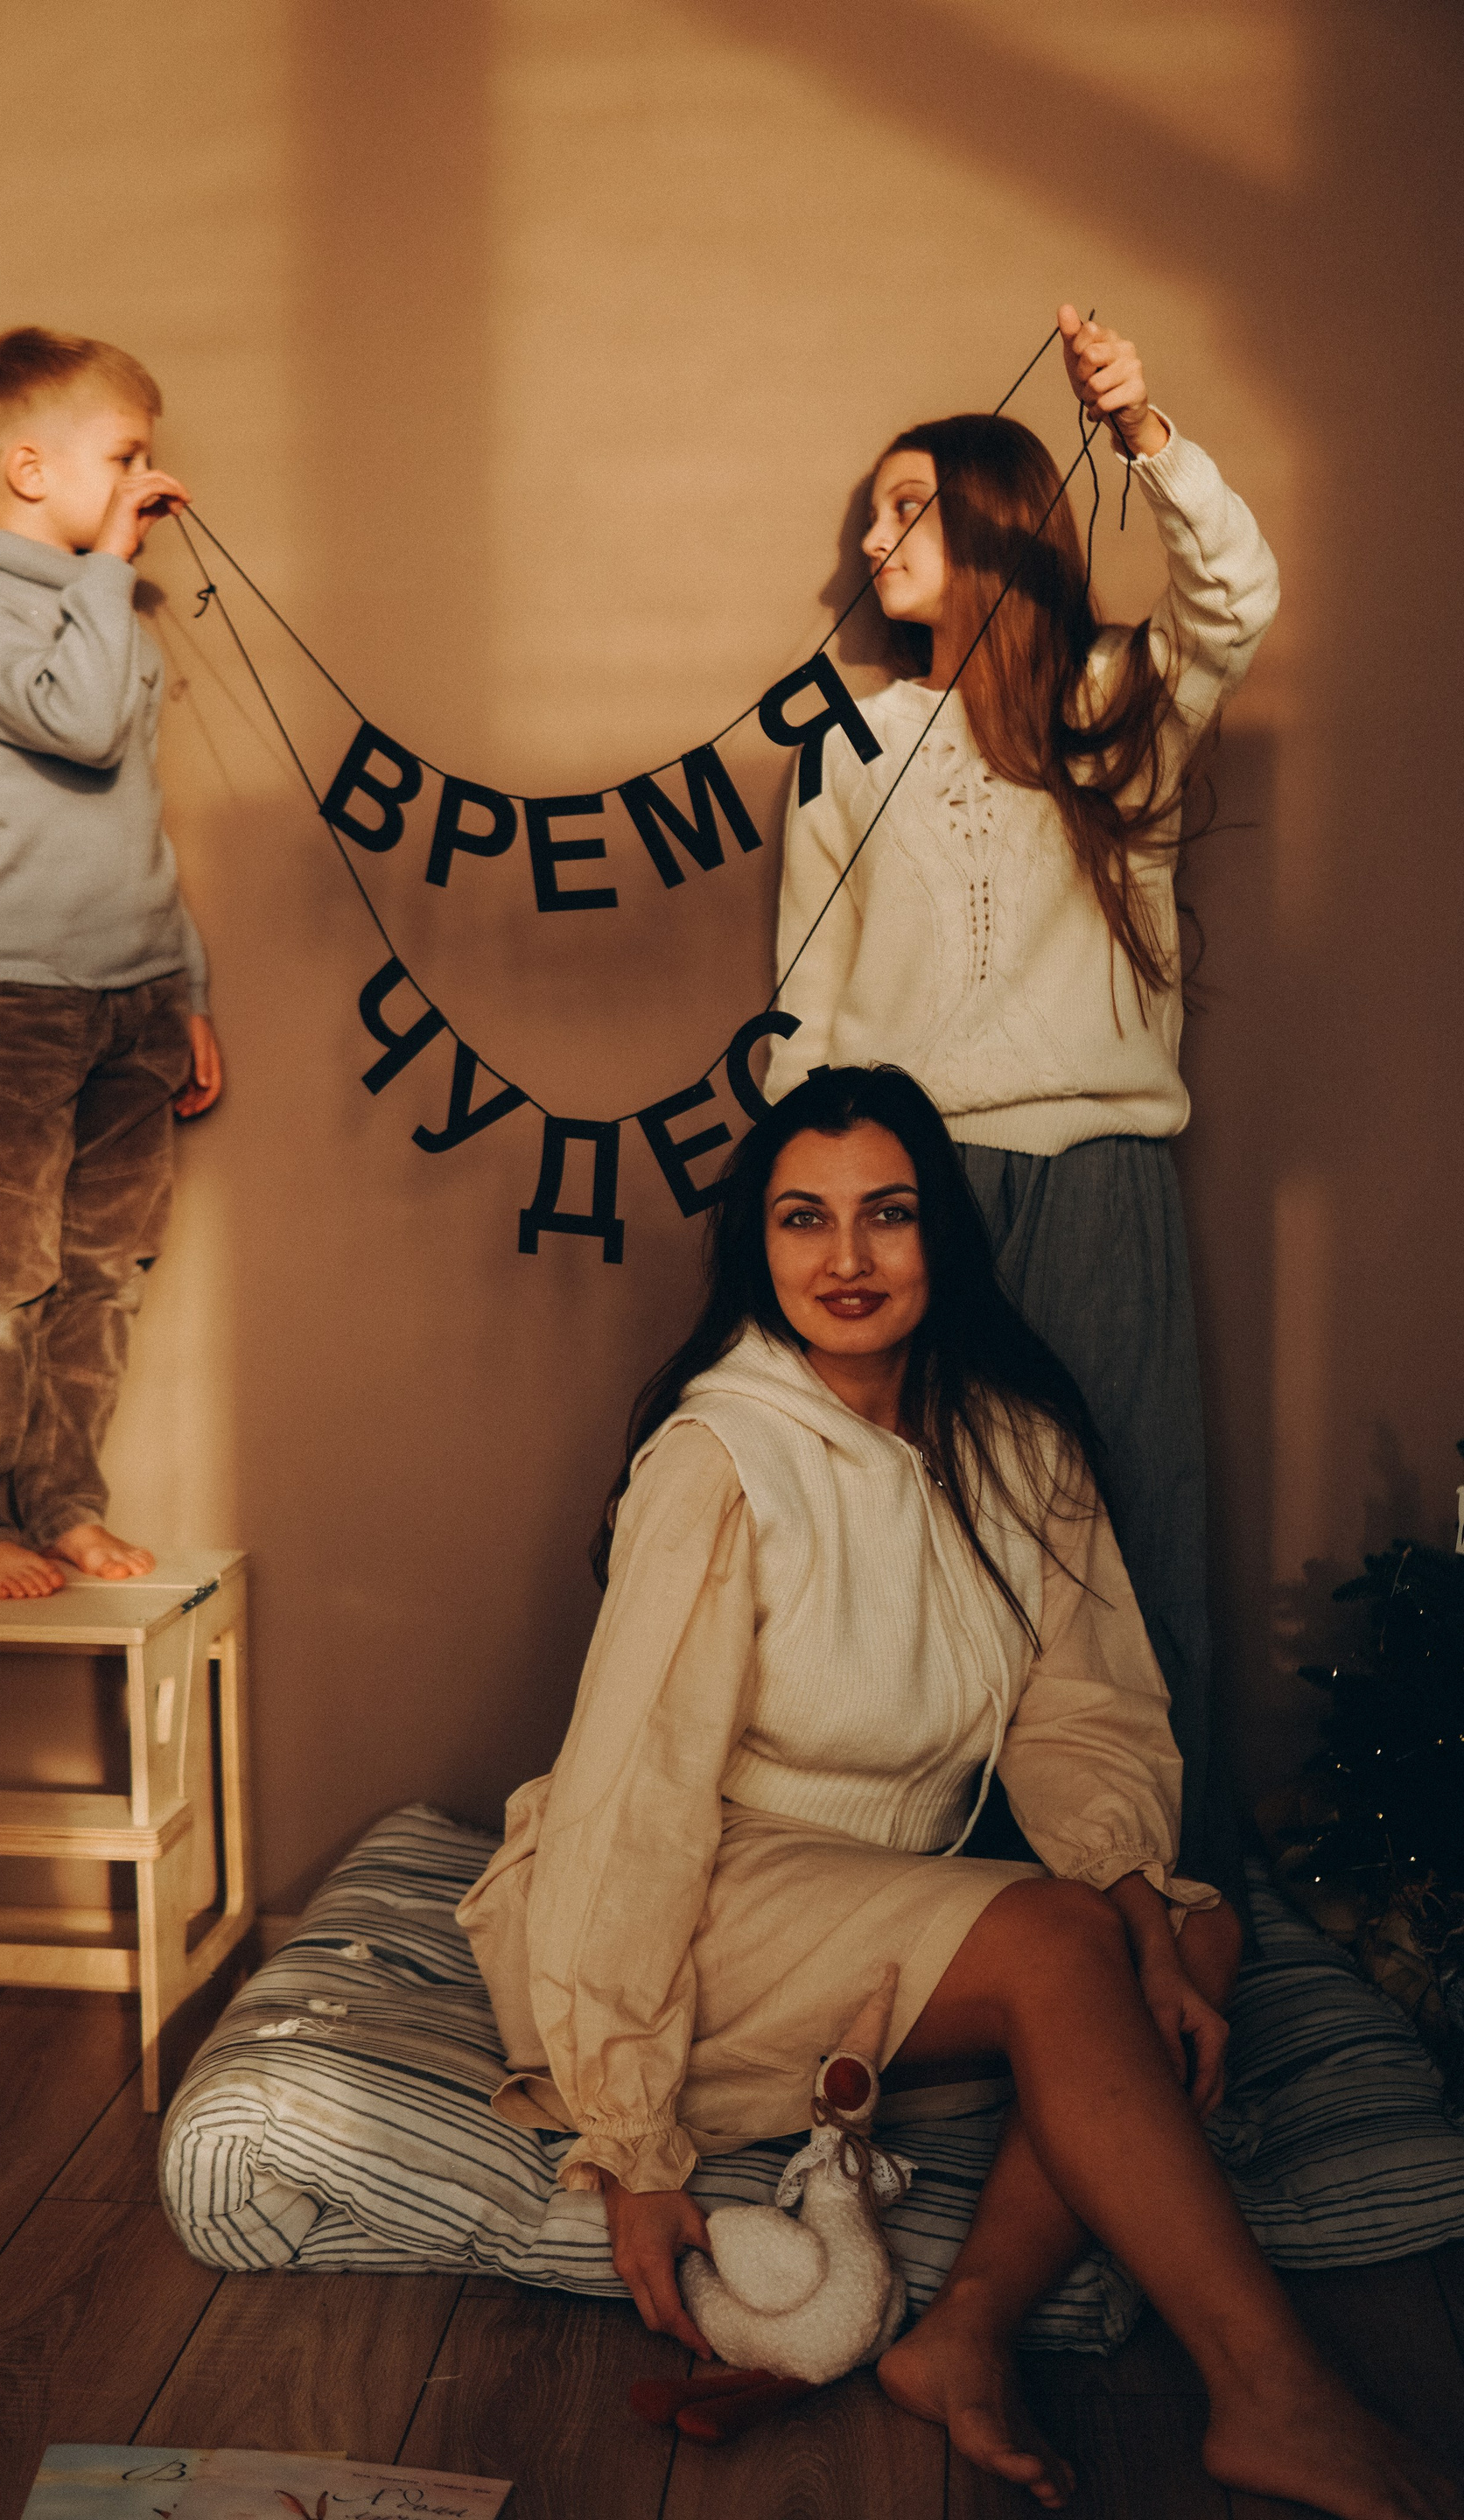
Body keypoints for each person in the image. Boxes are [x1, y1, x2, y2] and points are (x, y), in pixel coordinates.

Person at [459, 1068, 1459, 2516]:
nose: (847, 1258)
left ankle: (966, 2332)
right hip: (696, 1901)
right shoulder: (720, 1455)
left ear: (941, 1234)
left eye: (887, 1214)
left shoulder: (1013, 1441)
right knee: (1058, 1943)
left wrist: (1138, 1901)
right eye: (804, 1219)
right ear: (758, 1247)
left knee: (1189, 1927)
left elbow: (1083, 1710)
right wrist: (629, 2139)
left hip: (862, 1899)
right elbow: (635, 1799)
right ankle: (1276, 2392)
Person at [766, 308, 1280, 1902]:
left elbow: (1237, 591)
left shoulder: (1121, 704)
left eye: (904, 506)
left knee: (1127, 1521)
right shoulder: (847, 743)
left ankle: (1153, 1888)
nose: (872, 540)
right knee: (925, 1540)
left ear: (995, 520)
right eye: (871, 513)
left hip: (1103, 1181)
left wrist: (1141, 431)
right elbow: (805, 1009)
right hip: (917, 1196)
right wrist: (802, 1229)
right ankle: (959, 1890)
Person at [0, 326, 221, 1600]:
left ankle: (63, 1504)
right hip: (23, 997)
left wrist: (189, 989)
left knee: (105, 1275)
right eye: (127, 455)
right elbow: (84, 731)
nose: (148, 479)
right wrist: (106, 569)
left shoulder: (110, 614)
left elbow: (135, 818)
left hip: (141, 993)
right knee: (5, 1268)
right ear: (30, 469)